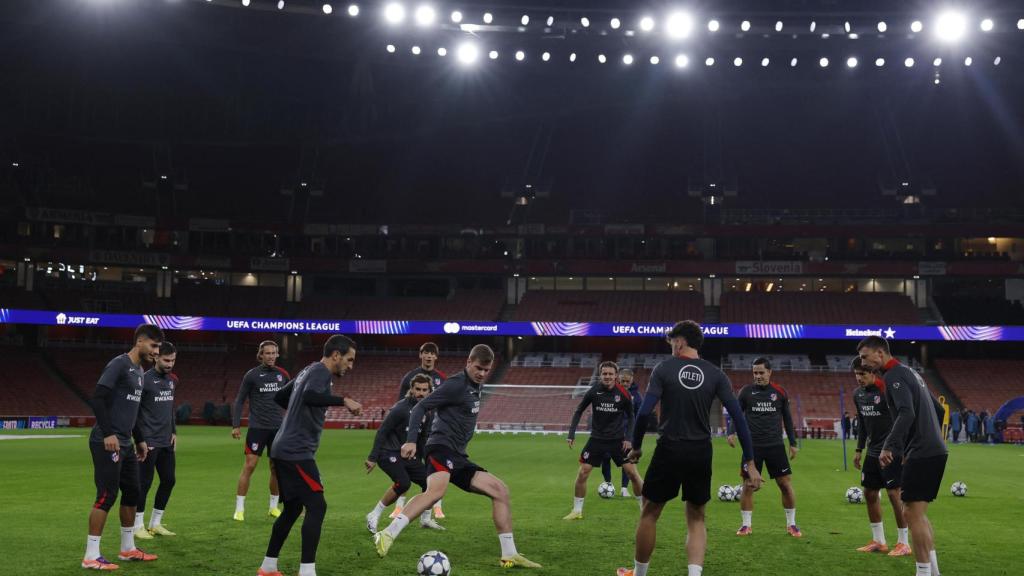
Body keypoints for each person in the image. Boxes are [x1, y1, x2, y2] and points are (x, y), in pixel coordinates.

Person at [373, 344, 541, 569]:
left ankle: (509, 554)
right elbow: (420, 408)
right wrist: (411, 439)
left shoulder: (474, 386)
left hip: (458, 456)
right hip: (441, 448)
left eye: (486, 370)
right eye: (479, 368)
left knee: (500, 490)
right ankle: (387, 533)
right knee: (435, 492)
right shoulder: (456, 384)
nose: (482, 373)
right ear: (469, 363)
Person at [616, 321, 763, 576]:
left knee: (650, 513)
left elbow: (642, 415)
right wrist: (749, 462)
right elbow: (739, 418)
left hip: (669, 448)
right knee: (696, 518)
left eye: (673, 341)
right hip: (700, 451)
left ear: (680, 342)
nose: (671, 345)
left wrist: (637, 447)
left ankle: (639, 574)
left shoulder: (664, 368)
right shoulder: (716, 374)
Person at [256, 334, 363, 576]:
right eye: (349, 359)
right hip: (296, 451)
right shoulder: (321, 372)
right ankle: (307, 571)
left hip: (284, 447)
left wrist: (297, 415)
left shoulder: (307, 370)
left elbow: (281, 396)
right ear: (336, 355)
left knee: (293, 509)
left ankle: (268, 567)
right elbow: (309, 397)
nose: (350, 365)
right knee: (317, 506)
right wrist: (343, 400)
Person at [857, 336, 947, 576]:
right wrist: (929, 439)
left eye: (865, 357)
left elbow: (906, 413)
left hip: (922, 451)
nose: (862, 362)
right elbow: (937, 410)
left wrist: (890, 445)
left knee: (910, 513)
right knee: (918, 513)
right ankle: (933, 572)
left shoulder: (894, 376)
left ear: (879, 353)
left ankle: (923, 572)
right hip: (933, 450)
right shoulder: (910, 373)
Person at [82, 323, 164, 571]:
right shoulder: (119, 364)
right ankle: (91, 556)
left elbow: (134, 412)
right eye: (153, 346)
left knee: (132, 493)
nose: (156, 352)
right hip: (107, 441)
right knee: (107, 495)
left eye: (158, 347)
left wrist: (139, 439)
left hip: (127, 443)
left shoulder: (139, 371)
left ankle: (128, 549)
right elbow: (98, 398)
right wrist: (108, 433)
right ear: (139, 341)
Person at [727, 358, 802, 538]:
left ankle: (792, 524)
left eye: (761, 372)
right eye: (755, 373)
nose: (758, 376)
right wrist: (731, 432)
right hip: (752, 447)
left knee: (784, 484)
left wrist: (792, 442)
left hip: (775, 446)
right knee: (748, 485)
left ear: (769, 372)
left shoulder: (780, 392)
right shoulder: (746, 392)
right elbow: (736, 413)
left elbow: (788, 418)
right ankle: (746, 525)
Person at [563, 361, 644, 519]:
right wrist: (571, 433)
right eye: (604, 374)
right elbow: (579, 410)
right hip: (597, 440)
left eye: (610, 374)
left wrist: (628, 438)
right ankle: (577, 511)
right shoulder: (594, 391)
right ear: (601, 375)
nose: (607, 376)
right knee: (583, 473)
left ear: (616, 376)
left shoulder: (624, 394)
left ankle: (644, 510)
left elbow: (632, 416)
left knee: (632, 474)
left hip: (618, 440)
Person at [365, 374, 444, 533]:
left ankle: (426, 519)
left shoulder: (427, 412)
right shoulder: (400, 408)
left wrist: (424, 462)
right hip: (388, 453)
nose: (421, 393)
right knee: (404, 483)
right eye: (418, 389)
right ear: (411, 390)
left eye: (424, 390)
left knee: (431, 483)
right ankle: (374, 514)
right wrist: (372, 458)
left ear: (430, 391)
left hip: (408, 456)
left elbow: (422, 439)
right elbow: (382, 432)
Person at [850, 357, 912, 556]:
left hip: (892, 450)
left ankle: (904, 543)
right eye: (857, 374)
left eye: (863, 374)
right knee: (869, 493)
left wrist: (904, 449)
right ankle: (879, 541)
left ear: (873, 373)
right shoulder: (857, 394)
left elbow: (904, 419)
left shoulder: (887, 390)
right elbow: (862, 424)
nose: (859, 378)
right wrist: (859, 449)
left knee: (894, 495)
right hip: (872, 451)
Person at [231, 340, 290, 521]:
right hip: (257, 427)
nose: (271, 356)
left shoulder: (283, 375)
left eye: (274, 353)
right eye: (268, 353)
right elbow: (240, 400)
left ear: (277, 354)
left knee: (276, 468)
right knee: (250, 466)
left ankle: (273, 507)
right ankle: (239, 509)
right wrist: (236, 425)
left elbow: (290, 400)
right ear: (261, 355)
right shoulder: (252, 375)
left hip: (278, 429)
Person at [392, 342, 447, 519]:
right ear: (420, 355)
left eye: (432, 353)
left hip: (434, 431)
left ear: (436, 357)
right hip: (412, 432)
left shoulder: (441, 379)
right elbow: (401, 404)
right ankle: (399, 506)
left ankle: (435, 507)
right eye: (426, 353)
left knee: (434, 468)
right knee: (406, 468)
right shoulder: (410, 377)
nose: (429, 356)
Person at [133, 341, 180, 540]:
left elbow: (169, 409)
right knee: (144, 483)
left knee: (169, 480)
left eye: (173, 360)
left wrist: (174, 431)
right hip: (149, 440)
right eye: (166, 360)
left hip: (166, 440)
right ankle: (137, 526)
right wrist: (139, 439)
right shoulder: (144, 380)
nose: (170, 364)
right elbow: (134, 412)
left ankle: (155, 523)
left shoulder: (172, 380)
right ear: (156, 358)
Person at [600, 368, 643, 497]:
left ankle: (624, 488)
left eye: (627, 381)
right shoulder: (611, 392)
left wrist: (633, 434)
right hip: (609, 433)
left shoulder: (637, 397)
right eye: (623, 381)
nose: (625, 384)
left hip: (627, 435)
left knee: (627, 461)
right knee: (606, 458)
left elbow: (639, 416)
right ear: (618, 379)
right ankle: (608, 483)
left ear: (632, 381)